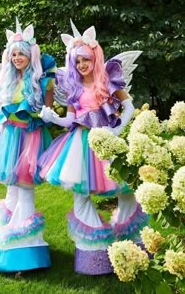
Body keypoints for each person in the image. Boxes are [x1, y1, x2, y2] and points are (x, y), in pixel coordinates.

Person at [38, 22, 148, 275]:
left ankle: (131, 242)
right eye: (77, 62)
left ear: (95, 57)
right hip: (79, 145)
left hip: (107, 141)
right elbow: (70, 119)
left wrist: (117, 130)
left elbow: (128, 107)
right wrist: (53, 118)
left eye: (85, 59)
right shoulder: (74, 90)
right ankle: (93, 250)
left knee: (125, 188)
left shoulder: (109, 82)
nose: (81, 65)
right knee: (81, 191)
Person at [0, 19, 56, 272]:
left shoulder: (42, 79)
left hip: (31, 138)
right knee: (12, 191)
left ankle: (24, 253)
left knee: (25, 190)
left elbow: (47, 110)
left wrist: (43, 113)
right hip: (8, 138)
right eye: (14, 54)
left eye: (22, 54)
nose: (17, 58)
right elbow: (0, 108)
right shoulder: (6, 78)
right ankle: (8, 239)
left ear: (30, 55)